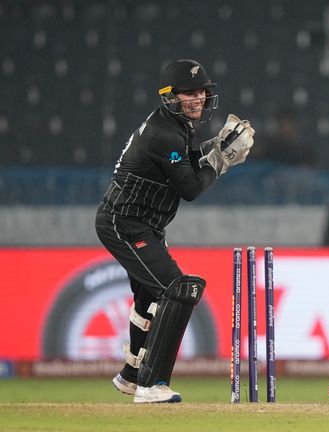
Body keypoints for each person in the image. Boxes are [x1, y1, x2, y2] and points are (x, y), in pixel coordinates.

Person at [95, 59, 255, 403]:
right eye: (189, 93)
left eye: (201, 92)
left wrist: (213, 147)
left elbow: (184, 161)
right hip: (124, 222)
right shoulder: (164, 133)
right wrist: (222, 160)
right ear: (170, 96)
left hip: (144, 222)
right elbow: (191, 188)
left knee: (151, 294)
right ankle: (151, 385)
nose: (197, 98)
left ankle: (131, 375)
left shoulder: (175, 127)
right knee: (180, 290)